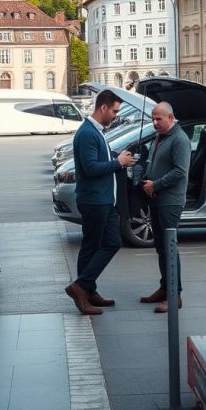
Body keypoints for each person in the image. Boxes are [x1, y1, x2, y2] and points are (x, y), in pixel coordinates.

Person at [65, 89, 137, 315]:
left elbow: (98, 160)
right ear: (103, 108)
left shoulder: (95, 131)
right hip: (95, 201)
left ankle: (88, 289)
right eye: (114, 111)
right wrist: (118, 163)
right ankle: (81, 288)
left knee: (94, 246)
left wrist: (118, 157)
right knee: (105, 244)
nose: (116, 115)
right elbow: (91, 168)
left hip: (102, 200)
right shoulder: (87, 133)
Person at [140, 101, 191, 313]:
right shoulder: (160, 137)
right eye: (153, 118)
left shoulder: (180, 139)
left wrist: (156, 184)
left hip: (170, 201)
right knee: (160, 247)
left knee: (169, 248)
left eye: (158, 119)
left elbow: (181, 171)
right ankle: (165, 288)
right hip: (157, 199)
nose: (154, 122)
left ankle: (174, 295)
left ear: (170, 118)